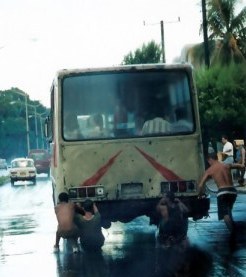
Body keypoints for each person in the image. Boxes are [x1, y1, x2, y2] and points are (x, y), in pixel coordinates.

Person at [198, 152, 244, 234]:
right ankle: (235, 229)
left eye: (208, 161)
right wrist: (241, 178)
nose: (209, 163)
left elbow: (201, 185)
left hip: (223, 192)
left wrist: (200, 194)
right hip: (233, 192)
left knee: (225, 215)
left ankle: (233, 233)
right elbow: (242, 166)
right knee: (228, 211)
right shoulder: (227, 165)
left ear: (210, 159)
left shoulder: (210, 170)